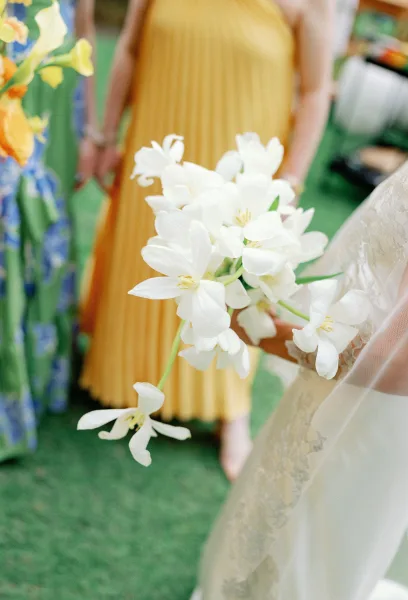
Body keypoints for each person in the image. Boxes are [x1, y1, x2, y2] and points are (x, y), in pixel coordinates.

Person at [191, 104, 408, 598]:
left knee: (306, 571)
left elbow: (407, 365)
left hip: (374, 414)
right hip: (347, 388)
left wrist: (260, 330)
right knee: (273, 547)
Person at [79, 0, 334, 480]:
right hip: (160, 154)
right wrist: (105, 135)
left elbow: (317, 92)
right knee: (156, 268)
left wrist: (290, 183)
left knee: (228, 281)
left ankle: (228, 406)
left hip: (239, 172)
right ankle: (117, 367)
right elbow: (131, 50)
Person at [0, 0, 97, 462]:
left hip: (52, 103)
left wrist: (89, 128)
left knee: (45, 238)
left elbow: (84, 25)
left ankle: (33, 386)